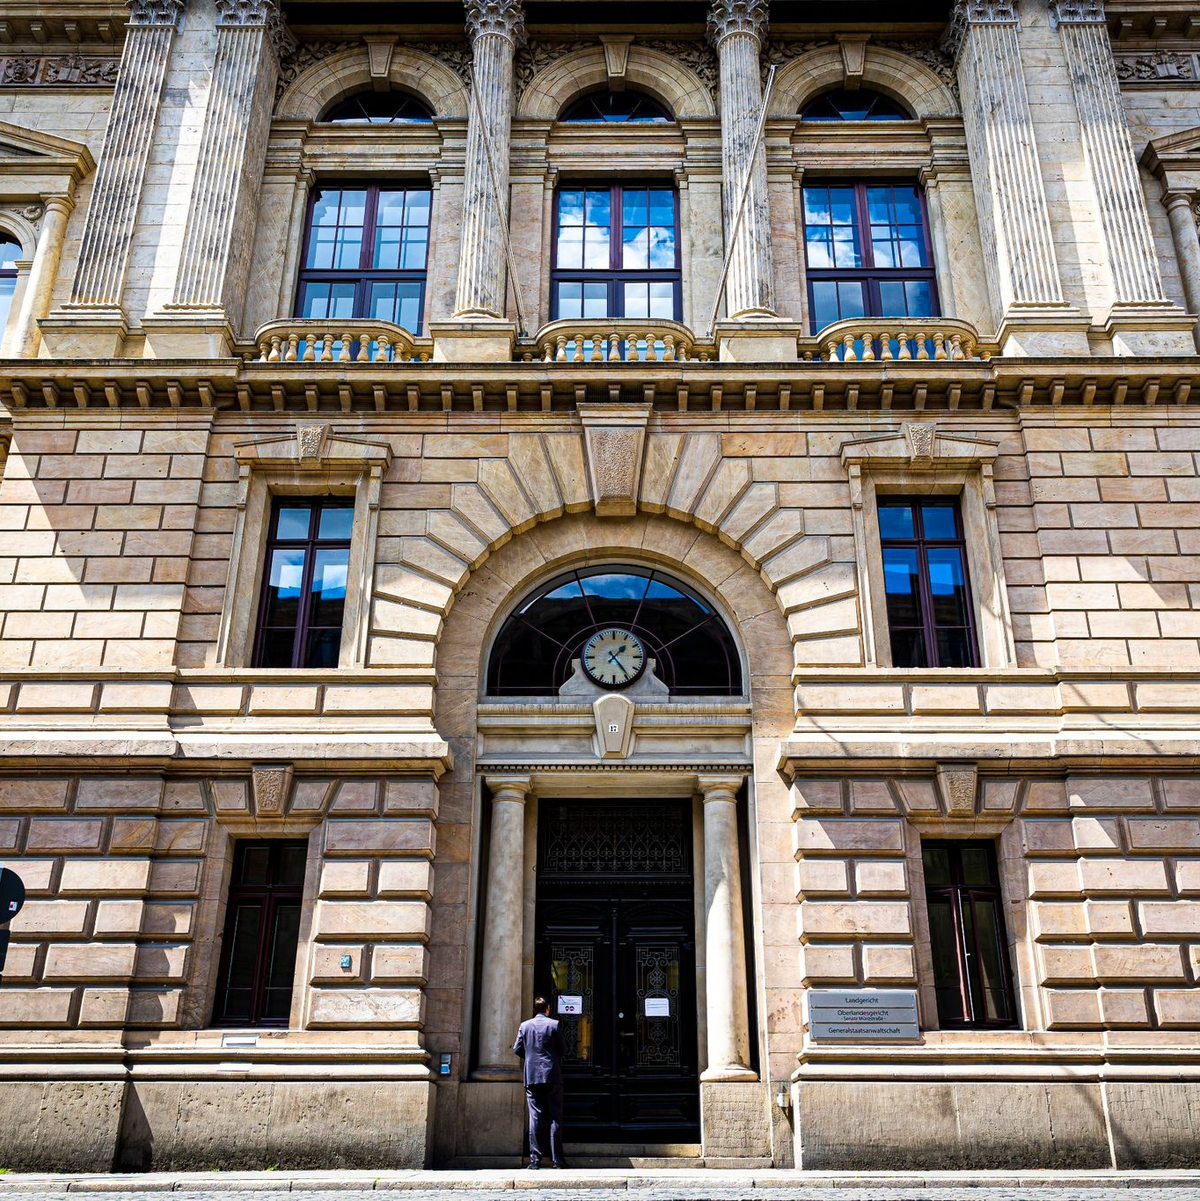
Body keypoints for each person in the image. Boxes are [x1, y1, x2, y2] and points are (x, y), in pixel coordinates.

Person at [512, 995, 567, 1169]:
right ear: (548, 1009)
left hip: (532, 1076)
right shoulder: (554, 1025)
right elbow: (563, 1050)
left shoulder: (525, 1026)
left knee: (535, 1117)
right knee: (555, 1116)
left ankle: (535, 1159)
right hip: (552, 1075)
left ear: (534, 1010)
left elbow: (517, 1049)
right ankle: (557, 1160)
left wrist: (530, 1057)